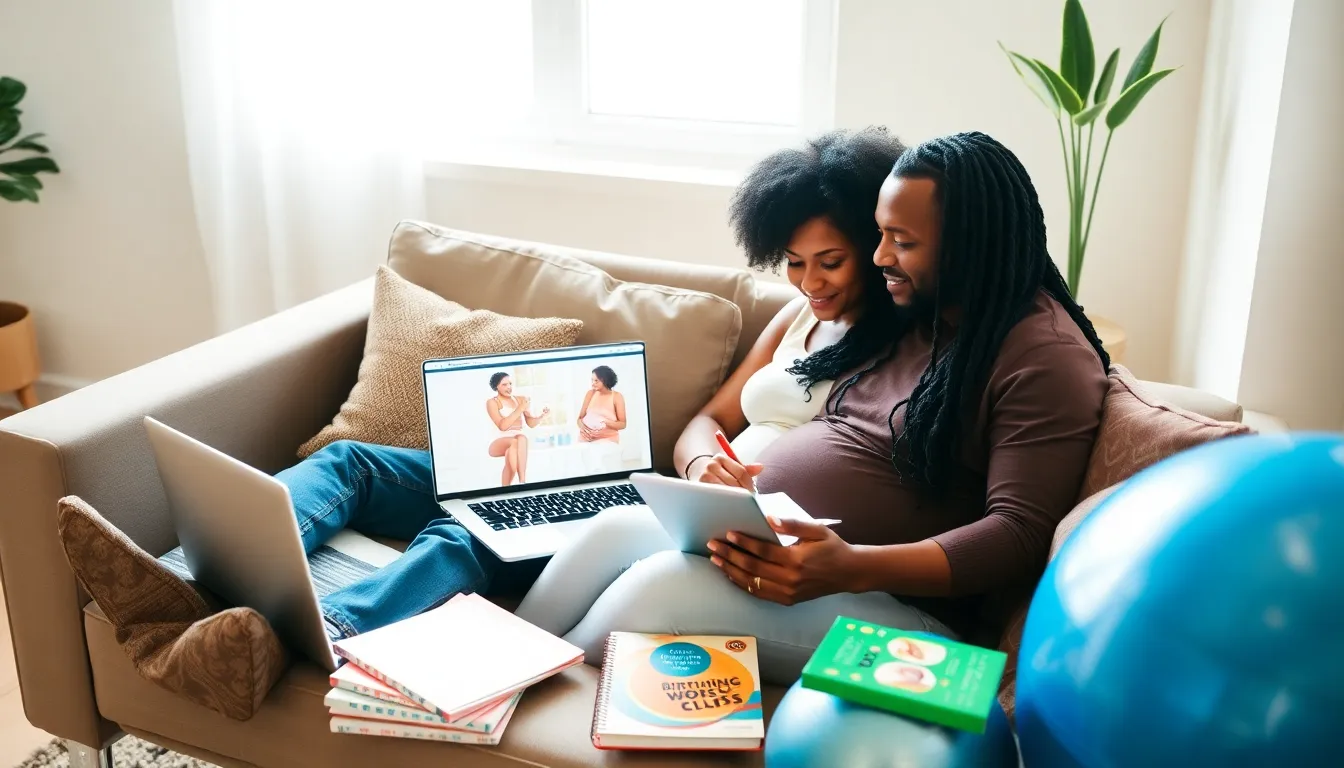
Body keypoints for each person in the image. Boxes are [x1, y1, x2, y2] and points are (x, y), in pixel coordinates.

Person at [515, 131, 1111, 684]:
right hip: (801, 564)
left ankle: (517, 709)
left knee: (656, 591)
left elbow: (1020, 534)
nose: (879, 258)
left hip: (916, 628)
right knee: (608, 531)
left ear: (969, 247)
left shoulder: (1044, 357)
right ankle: (484, 692)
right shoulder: (922, 317)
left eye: (901, 242)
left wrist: (852, 566)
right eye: (879, 235)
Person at [486, 371, 548, 485]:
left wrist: (541, 417)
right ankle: (523, 482)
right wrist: (520, 408)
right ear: (496, 386)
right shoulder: (492, 402)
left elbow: (531, 423)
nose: (509, 387)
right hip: (497, 443)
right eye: (504, 385)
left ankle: (506, 489)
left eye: (510, 383)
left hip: (517, 443)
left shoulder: (519, 399)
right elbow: (502, 426)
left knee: (515, 448)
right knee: (520, 438)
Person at [577, 365, 627, 444]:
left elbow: (623, 424)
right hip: (585, 440)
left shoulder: (617, 397)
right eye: (592, 380)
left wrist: (605, 423)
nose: (593, 384)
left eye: (596, 381)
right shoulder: (590, 394)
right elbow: (579, 419)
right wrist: (583, 428)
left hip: (607, 440)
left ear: (605, 380)